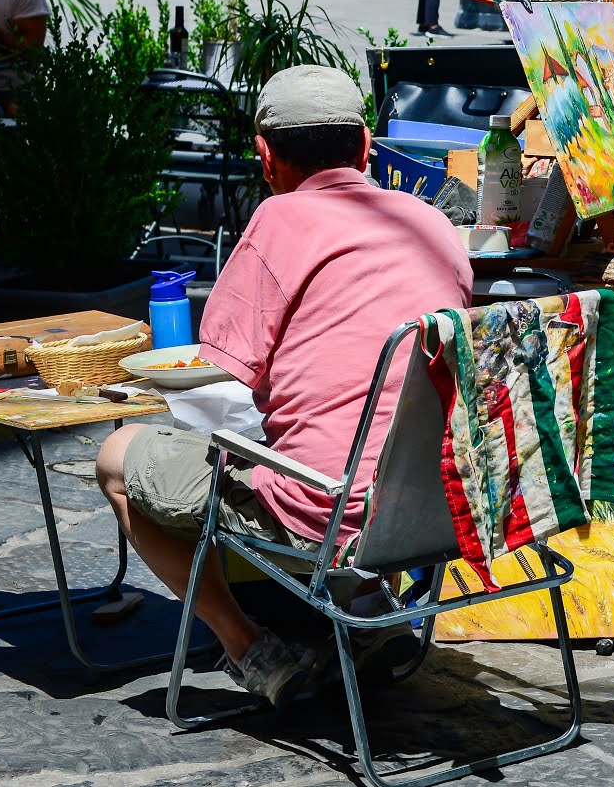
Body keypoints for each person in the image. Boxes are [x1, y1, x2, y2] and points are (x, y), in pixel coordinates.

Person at [95, 66, 469, 705]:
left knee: (116, 458)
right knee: (356, 425)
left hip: (327, 511)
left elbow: (229, 362)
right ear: (365, 146)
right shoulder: (433, 227)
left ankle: (252, 650)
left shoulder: (279, 221)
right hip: (442, 501)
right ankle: (369, 609)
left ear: (265, 157)